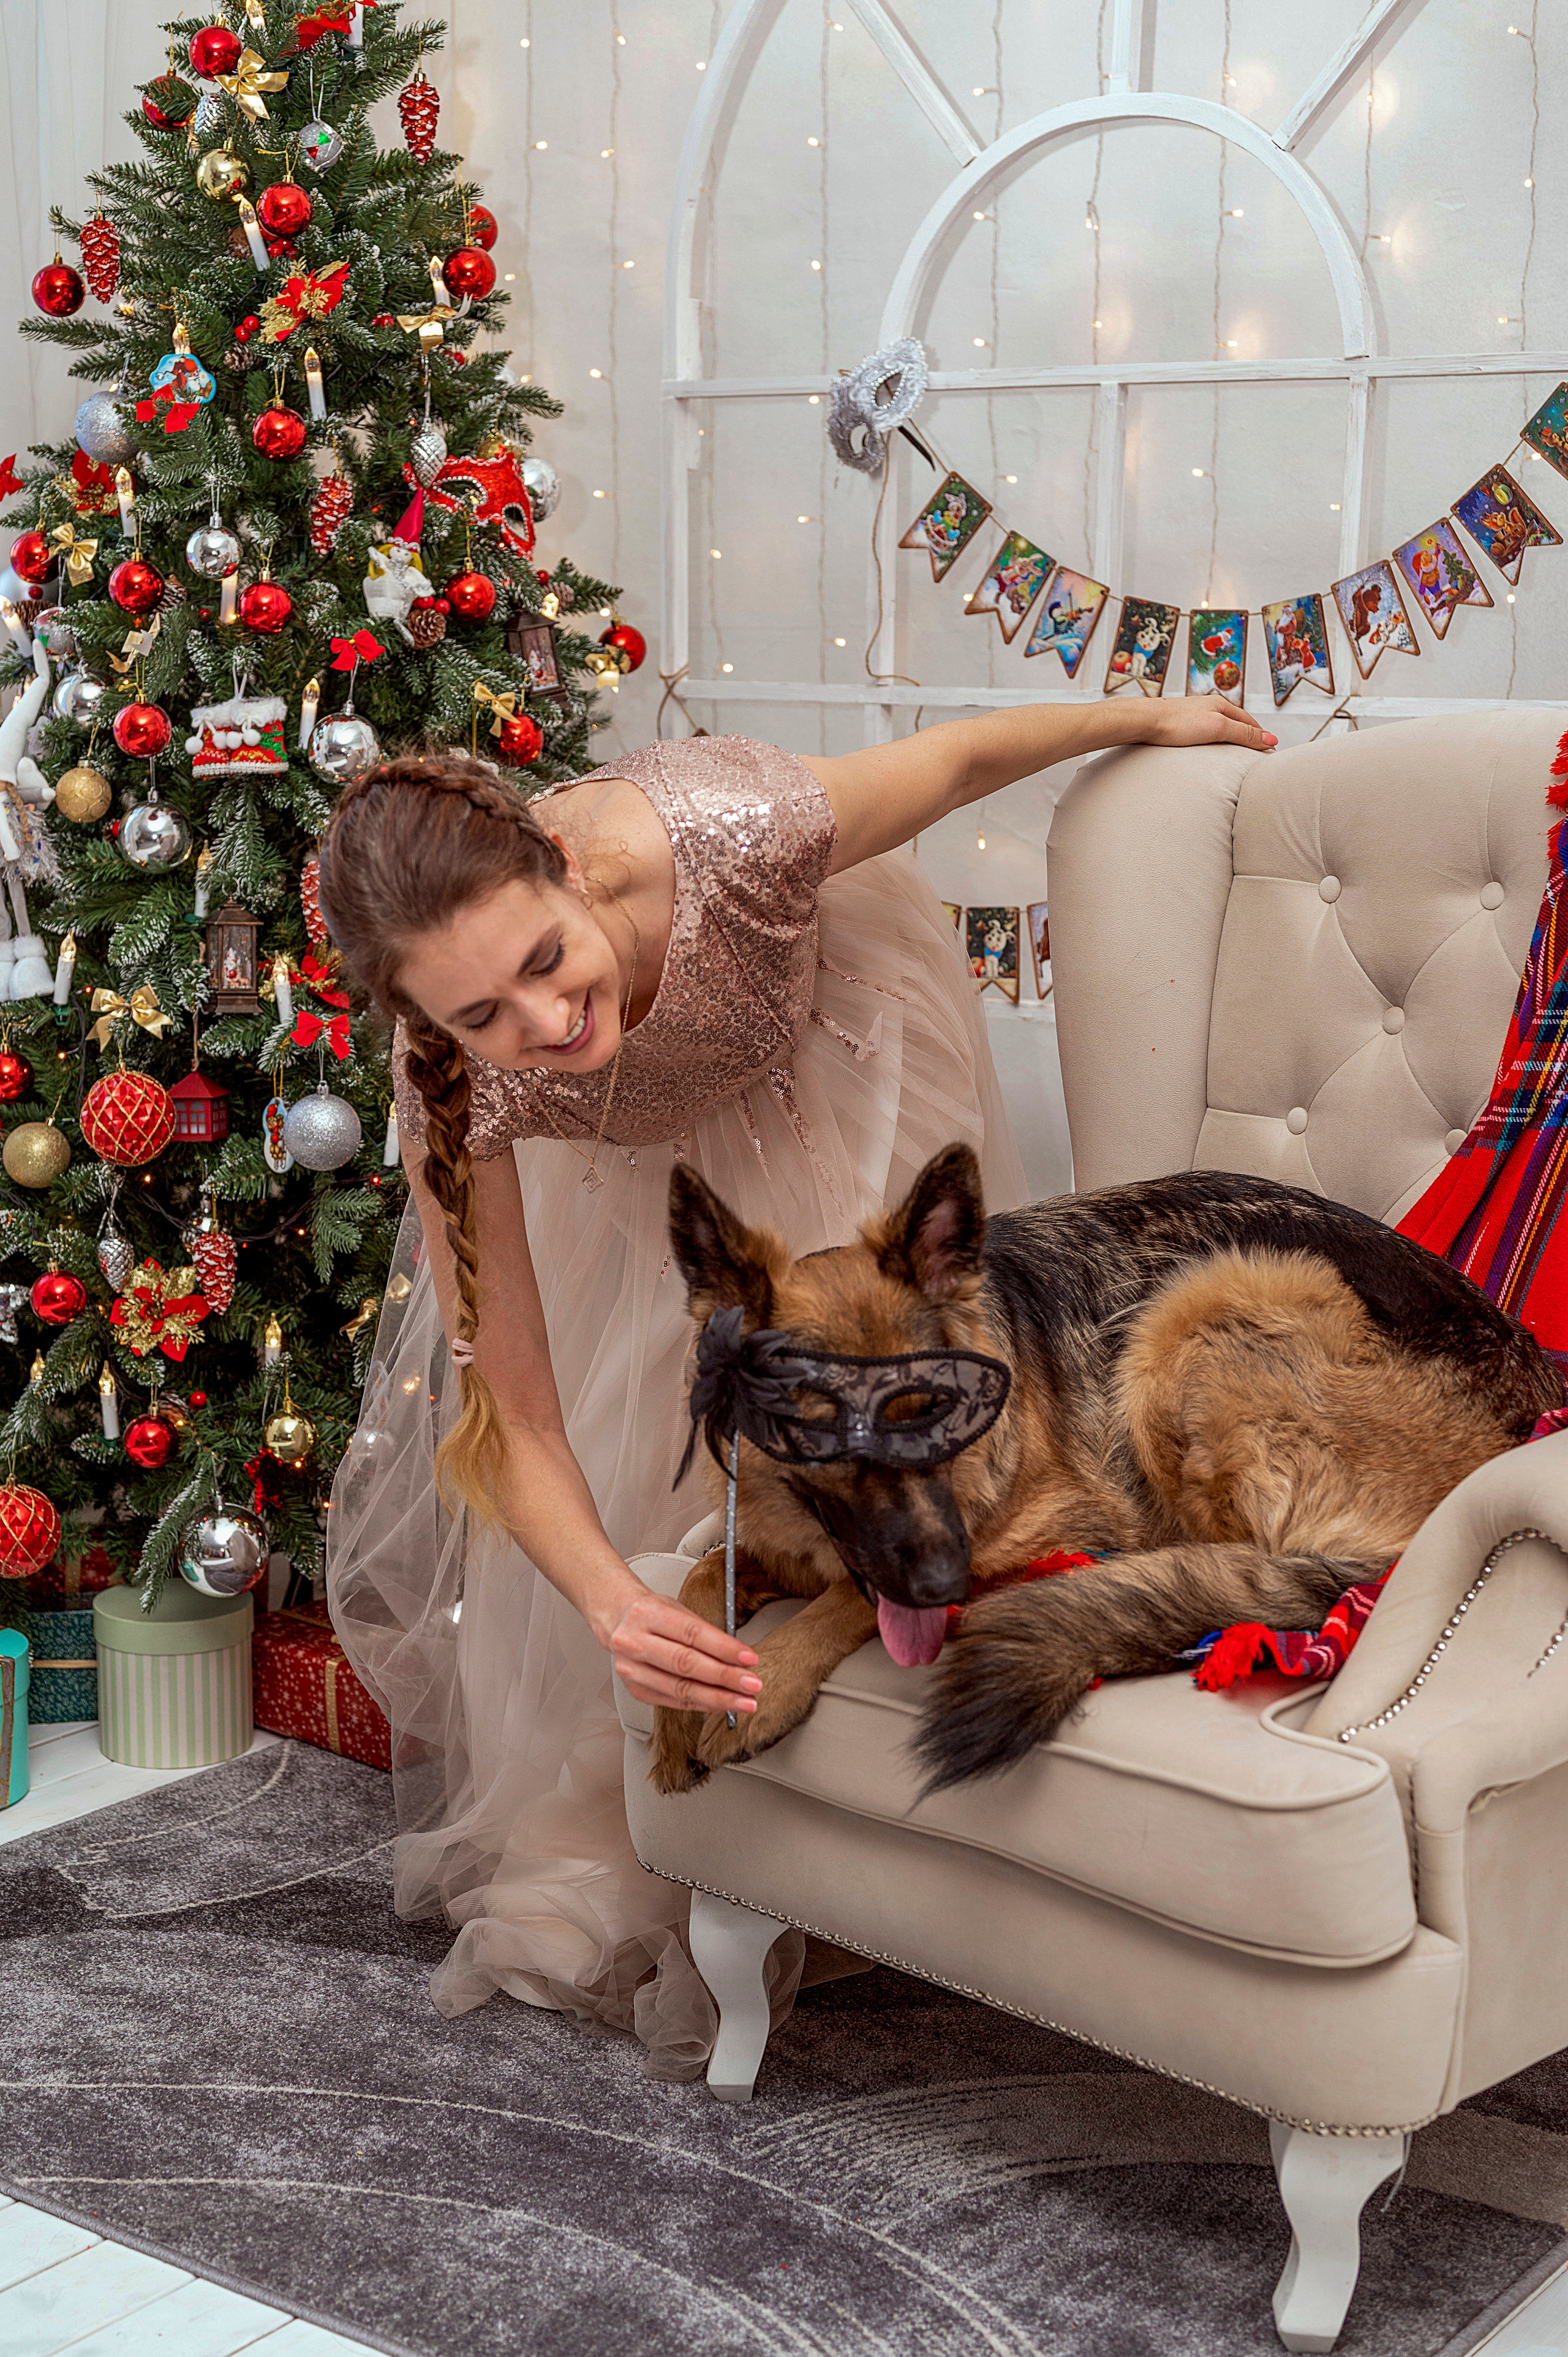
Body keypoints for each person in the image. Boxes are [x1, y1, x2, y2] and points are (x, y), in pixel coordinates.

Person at [318, 694, 1275, 2079]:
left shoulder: (731, 833)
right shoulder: (456, 1085)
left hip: (835, 1047)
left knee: (884, 1401)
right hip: (643, 1156)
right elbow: (514, 1414)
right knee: (669, 1430)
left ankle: (898, 1730)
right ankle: (729, 1817)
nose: (545, 1015)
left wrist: (1158, 713)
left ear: (571, 869)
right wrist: (615, 1605)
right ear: (421, 1020)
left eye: (545, 957)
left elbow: (955, 757)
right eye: (482, 1011)